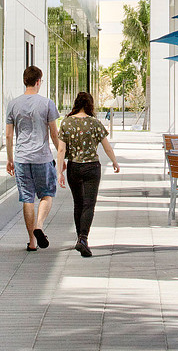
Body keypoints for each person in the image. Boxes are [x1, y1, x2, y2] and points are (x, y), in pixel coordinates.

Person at [56, 92, 120, 257]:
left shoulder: (66, 122)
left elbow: (61, 149)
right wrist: (114, 161)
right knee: (89, 204)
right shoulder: (94, 123)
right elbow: (107, 147)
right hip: (92, 167)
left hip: (74, 167)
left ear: (76, 103)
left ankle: (80, 238)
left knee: (78, 204)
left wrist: (59, 172)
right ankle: (83, 238)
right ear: (90, 105)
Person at [6, 65, 60, 251]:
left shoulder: (13, 104)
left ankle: (32, 241)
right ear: (38, 82)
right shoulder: (47, 103)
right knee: (47, 193)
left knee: (27, 198)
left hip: (21, 158)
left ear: (24, 81)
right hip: (42, 158)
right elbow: (54, 134)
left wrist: (10, 159)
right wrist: (61, 155)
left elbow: (8, 135)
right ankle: (39, 225)